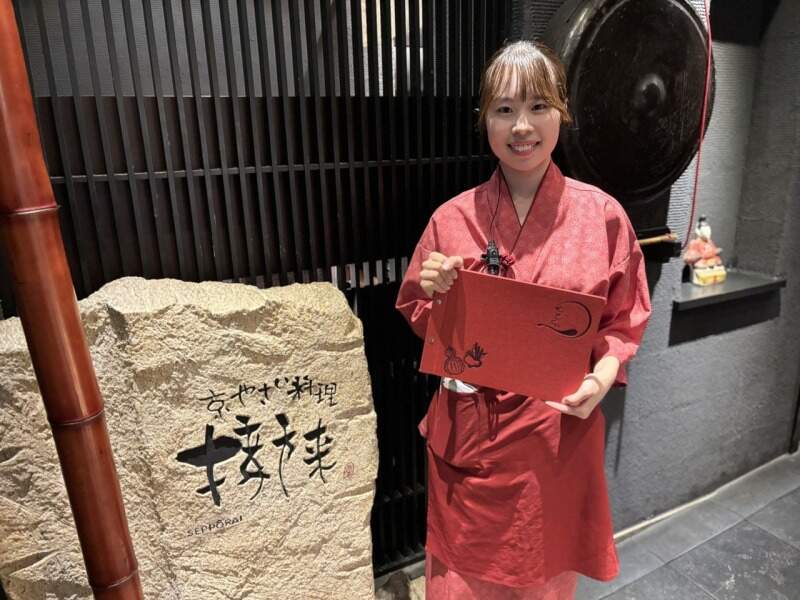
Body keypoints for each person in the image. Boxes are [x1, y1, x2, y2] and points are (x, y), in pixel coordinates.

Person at [395, 41, 652, 599]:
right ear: (483, 119)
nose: (522, 126)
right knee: (460, 586)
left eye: (538, 106)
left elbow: (622, 321)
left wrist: (601, 378)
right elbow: (418, 314)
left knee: (543, 583)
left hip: (554, 442)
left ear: (563, 111)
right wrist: (436, 294)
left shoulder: (603, 217)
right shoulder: (451, 219)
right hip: (471, 446)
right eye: (504, 109)